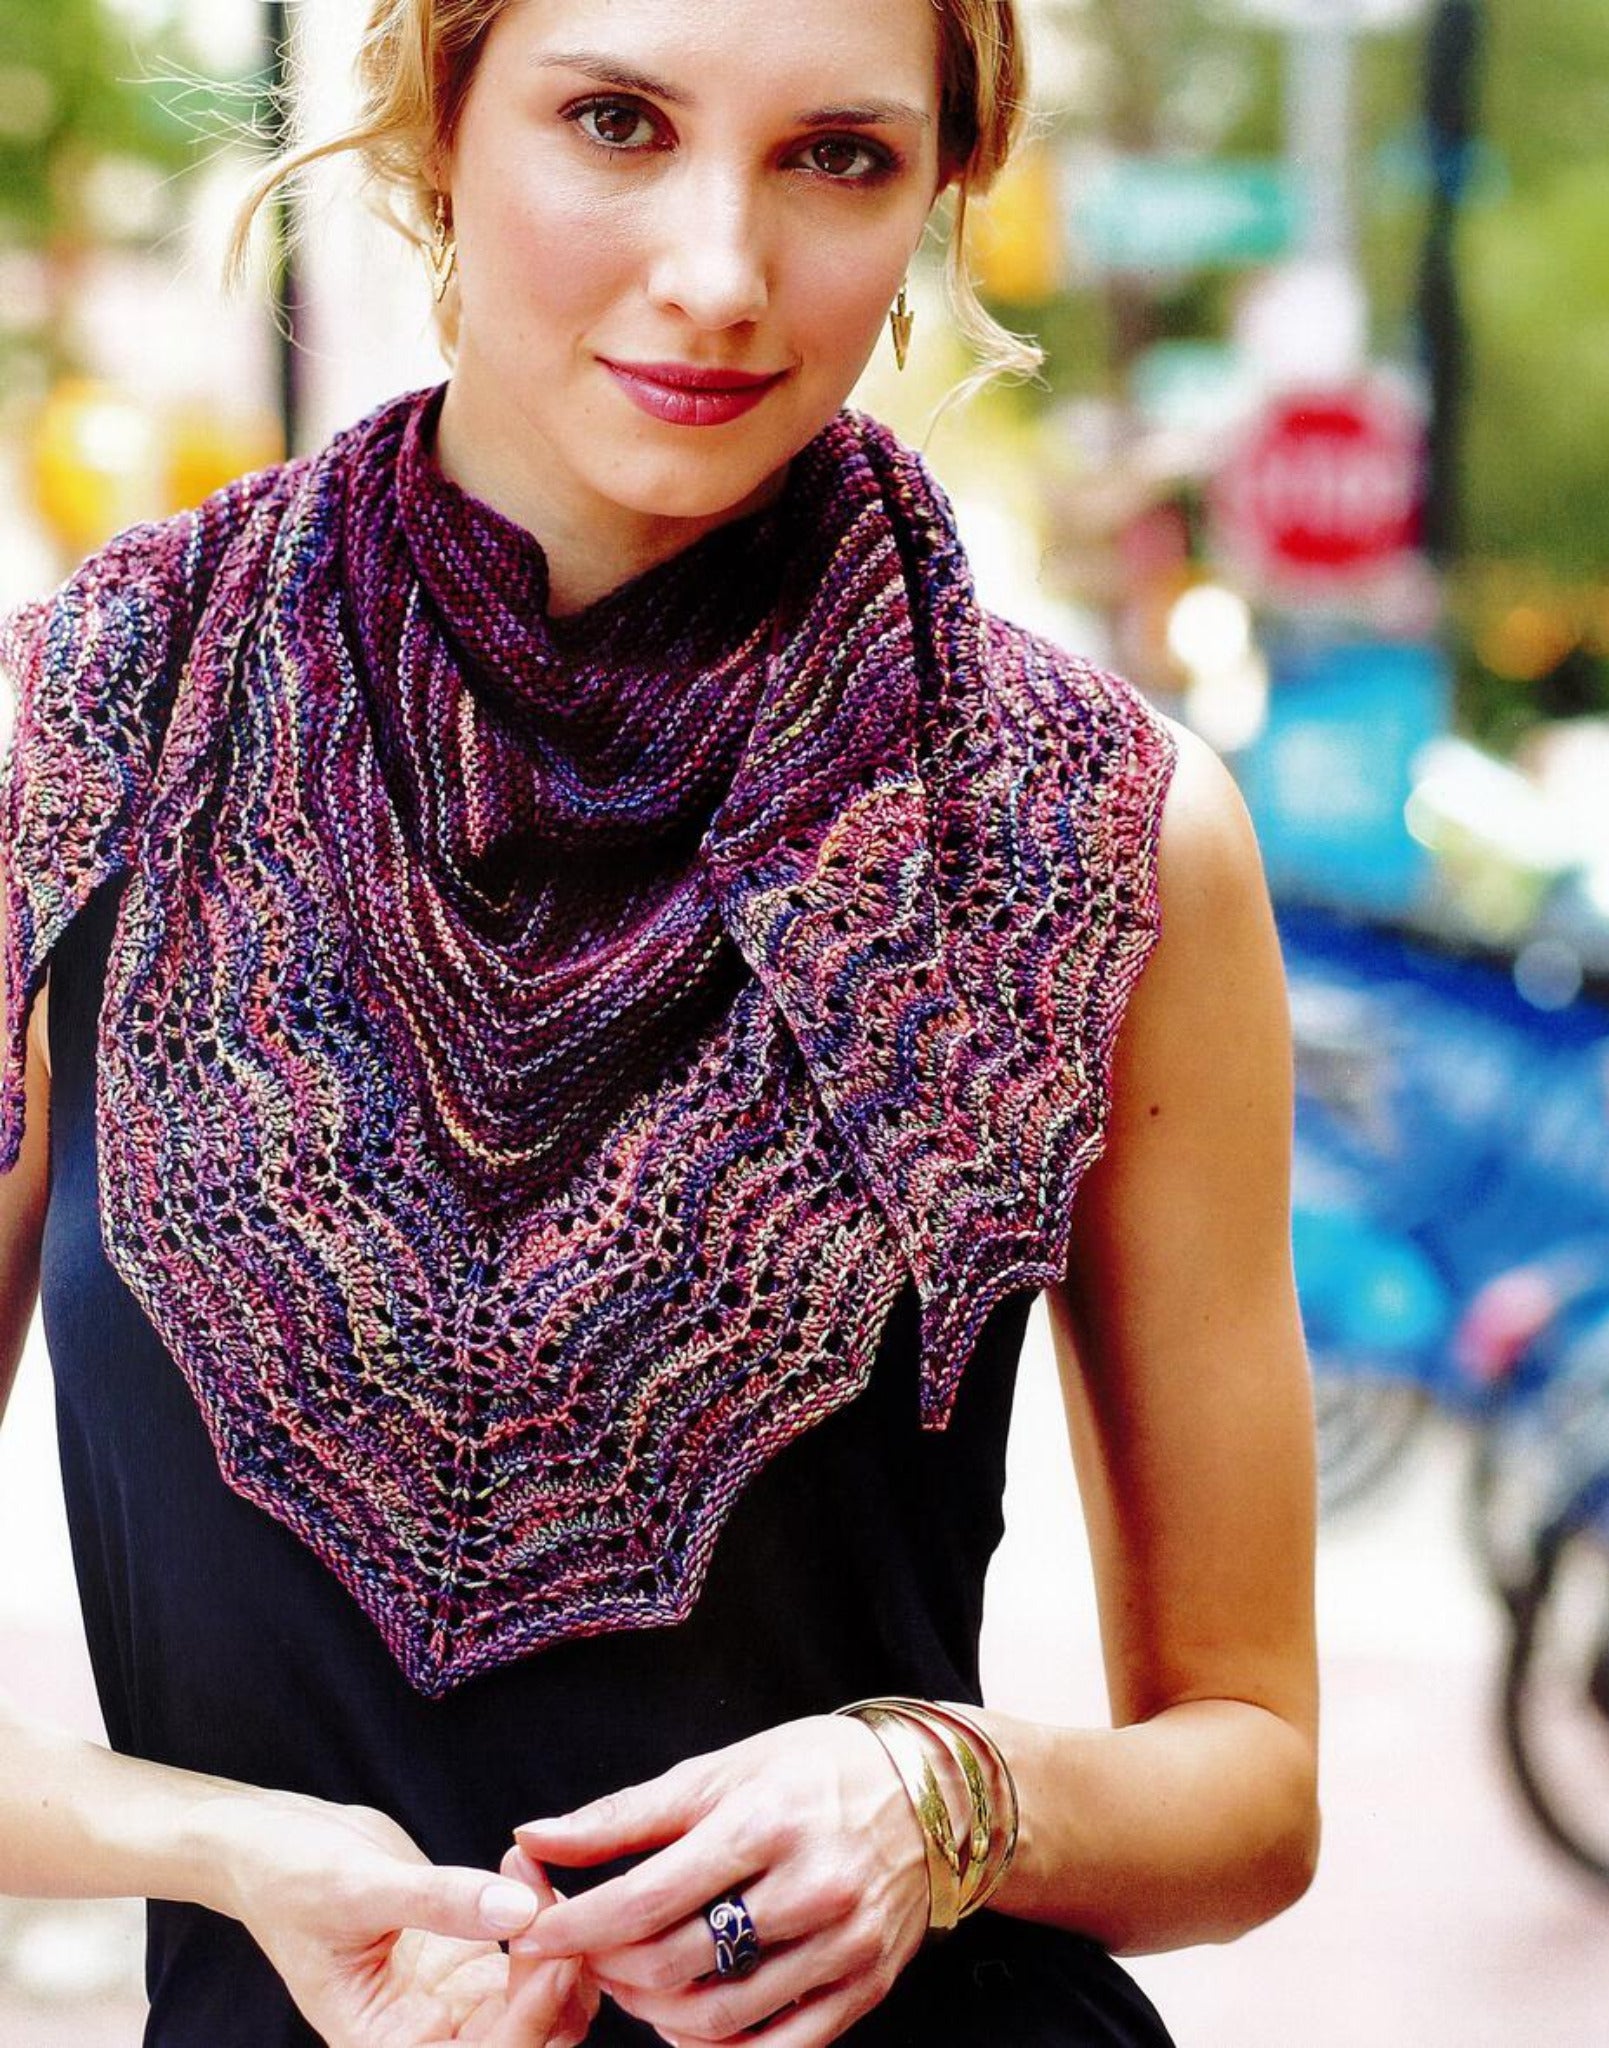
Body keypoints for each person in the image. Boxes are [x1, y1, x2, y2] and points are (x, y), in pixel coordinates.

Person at [0, 1, 1320, 2043]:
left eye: (838, 158)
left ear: (947, 185)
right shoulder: (98, 723)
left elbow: (1251, 1767)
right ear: (438, 113)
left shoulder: (1099, 831)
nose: (717, 273)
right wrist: (226, 1850)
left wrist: (935, 1786)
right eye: (616, 121)